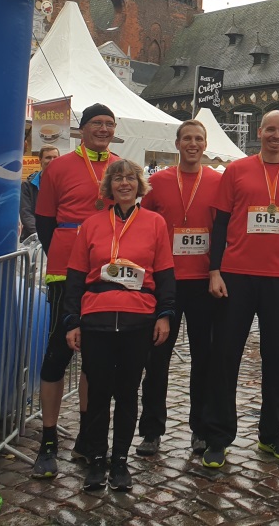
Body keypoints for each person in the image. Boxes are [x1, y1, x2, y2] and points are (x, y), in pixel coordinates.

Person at [202, 111, 279, 468]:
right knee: (225, 357)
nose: (276, 136)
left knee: (276, 359)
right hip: (235, 274)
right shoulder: (236, 170)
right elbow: (219, 223)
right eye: (270, 130)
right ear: (260, 132)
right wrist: (214, 269)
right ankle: (218, 437)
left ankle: (272, 434)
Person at [63, 159, 175, 491]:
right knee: (98, 393)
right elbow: (75, 278)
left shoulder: (155, 223)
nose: (124, 184)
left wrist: (166, 315)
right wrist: (71, 322)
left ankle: (121, 461)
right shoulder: (92, 224)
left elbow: (166, 275)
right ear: (109, 186)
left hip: (138, 319)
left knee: (127, 393)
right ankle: (96, 461)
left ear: (139, 184)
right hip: (96, 318)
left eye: (130, 178)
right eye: (117, 179)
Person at [31, 103, 119, 478]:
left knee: (97, 357)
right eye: (96, 123)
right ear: (81, 129)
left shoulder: (121, 167)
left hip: (107, 274)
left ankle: (88, 436)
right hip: (66, 275)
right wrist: (67, 255)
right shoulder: (60, 167)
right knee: (57, 354)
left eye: (109, 124)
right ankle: (48, 438)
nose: (103, 128)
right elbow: (45, 221)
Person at [134, 120, 222, 457]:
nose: (193, 144)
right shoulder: (157, 181)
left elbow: (224, 230)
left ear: (205, 144)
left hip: (203, 282)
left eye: (199, 139)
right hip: (165, 282)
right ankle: (152, 431)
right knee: (157, 359)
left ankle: (200, 430)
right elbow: (144, 230)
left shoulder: (217, 181)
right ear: (177, 143)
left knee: (205, 359)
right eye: (187, 139)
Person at [20, 145, 60, 242]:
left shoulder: (65, 183)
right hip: (34, 239)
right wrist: (39, 234)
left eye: (55, 157)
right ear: (40, 160)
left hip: (58, 236)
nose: (52, 160)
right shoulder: (28, 185)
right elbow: (26, 213)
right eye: (48, 157)